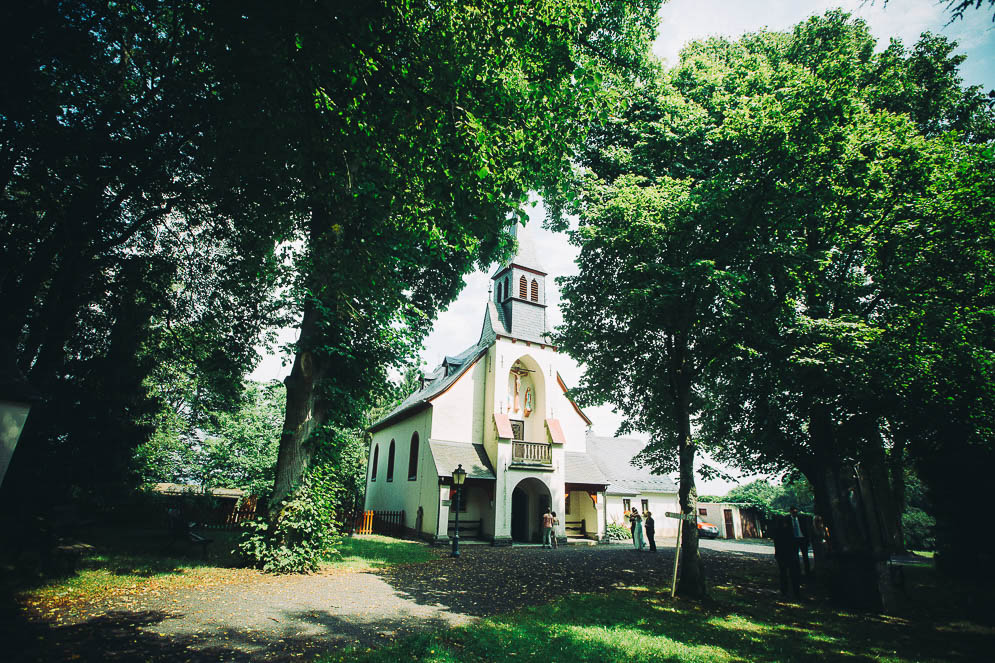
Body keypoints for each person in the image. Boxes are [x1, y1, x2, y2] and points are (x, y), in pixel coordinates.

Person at [773, 515, 801, 599]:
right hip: (787, 555)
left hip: (785, 555)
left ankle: (787, 591)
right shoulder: (790, 531)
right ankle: (793, 592)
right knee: (789, 574)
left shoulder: (778, 531)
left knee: (786, 574)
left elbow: (777, 545)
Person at [789, 506, 811, 576]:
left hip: (802, 538)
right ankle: (797, 572)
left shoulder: (802, 518)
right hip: (794, 540)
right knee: (795, 557)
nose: (795, 514)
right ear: (790, 512)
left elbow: (806, 529)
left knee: (805, 556)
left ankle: (808, 572)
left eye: (796, 512)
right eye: (793, 512)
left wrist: (807, 539)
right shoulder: (788, 520)